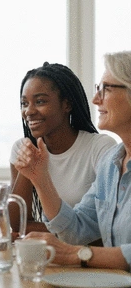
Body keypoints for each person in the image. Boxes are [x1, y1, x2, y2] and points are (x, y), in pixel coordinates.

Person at [14, 51, 131, 270]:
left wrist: (77, 254)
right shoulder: (111, 164)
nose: (96, 99)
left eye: (106, 89)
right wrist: (40, 179)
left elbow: (74, 246)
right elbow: (76, 231)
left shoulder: (99, 150)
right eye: (98, 89)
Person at [9, 62, 116, 235]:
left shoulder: (101, 148)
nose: (29, 111)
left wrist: (57, 234)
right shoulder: (22, 150)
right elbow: (16, 226)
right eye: (24, 103)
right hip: (51, 257)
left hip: (90, 257)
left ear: (67, 104)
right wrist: (26, 167)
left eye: (40, 101)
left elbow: (104, 229)